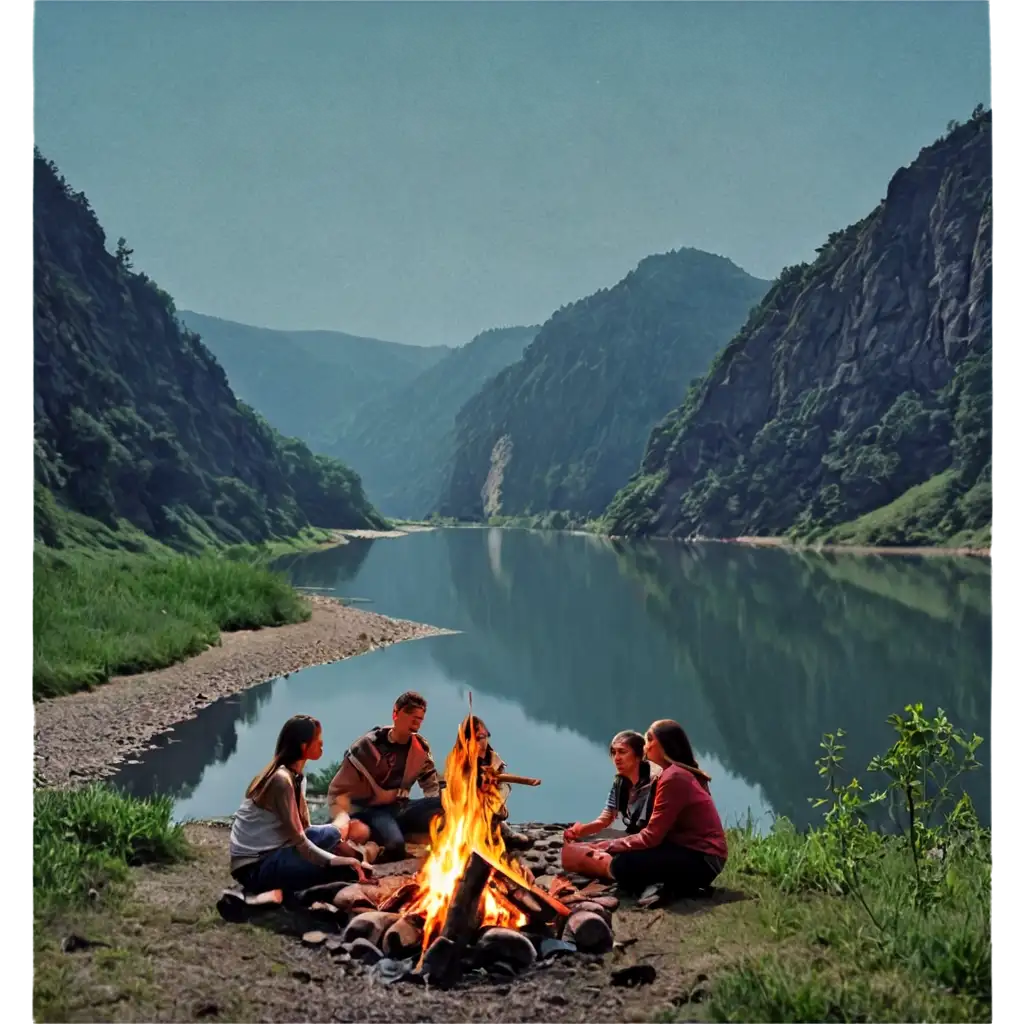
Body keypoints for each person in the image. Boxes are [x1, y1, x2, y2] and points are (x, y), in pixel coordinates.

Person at [560, 719, 727, 899]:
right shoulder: (667, 775)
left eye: (649, 739)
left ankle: (659, 883)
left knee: (623, 864)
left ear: (663, 745)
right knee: (625, 854)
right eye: (613, 753)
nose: (645, 745)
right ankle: (658, 882)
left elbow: (650, 837)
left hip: (704, 859)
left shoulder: (675, 777)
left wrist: (605, 846)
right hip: (685, 848)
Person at [228, 715, 373, 895]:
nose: (322, 744)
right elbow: (301, 841)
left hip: (280, 849)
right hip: (255, 867)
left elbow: (305, 829)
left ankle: (342, 846)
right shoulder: (281, 781)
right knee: (345, 871)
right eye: (318, 740)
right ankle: (255, 899)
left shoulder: (296, 777)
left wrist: (337, 850)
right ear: (304, 746)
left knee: (332, 835)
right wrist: (335, 860)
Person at [327, 691, 443, 861]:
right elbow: (338, 790)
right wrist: (341, 822)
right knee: (395, 845)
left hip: (401, 807)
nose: (415, 724)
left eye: (419, 719)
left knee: (445, 803)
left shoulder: (419, 749)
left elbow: (430, 784)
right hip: (371, 811)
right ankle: (373, 846)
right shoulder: (367, 746)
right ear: (396, 713)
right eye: (411, 716)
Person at [564, 730, 662, 843]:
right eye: (613, 752)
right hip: (632, 836)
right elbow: (605, 819)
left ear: (638, 756)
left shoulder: (655, 783)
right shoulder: (620, 783)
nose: (617, 758)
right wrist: (580, 830)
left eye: (622, 752)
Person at [464, 715, 533, 851]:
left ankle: (497, 829)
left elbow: (502, 789)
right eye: (476, 739)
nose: (480, 742)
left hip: (492, 807)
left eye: (483, 737)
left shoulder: (495, 761)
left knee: (503, 787)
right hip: (469, 812)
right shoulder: (462, 762)